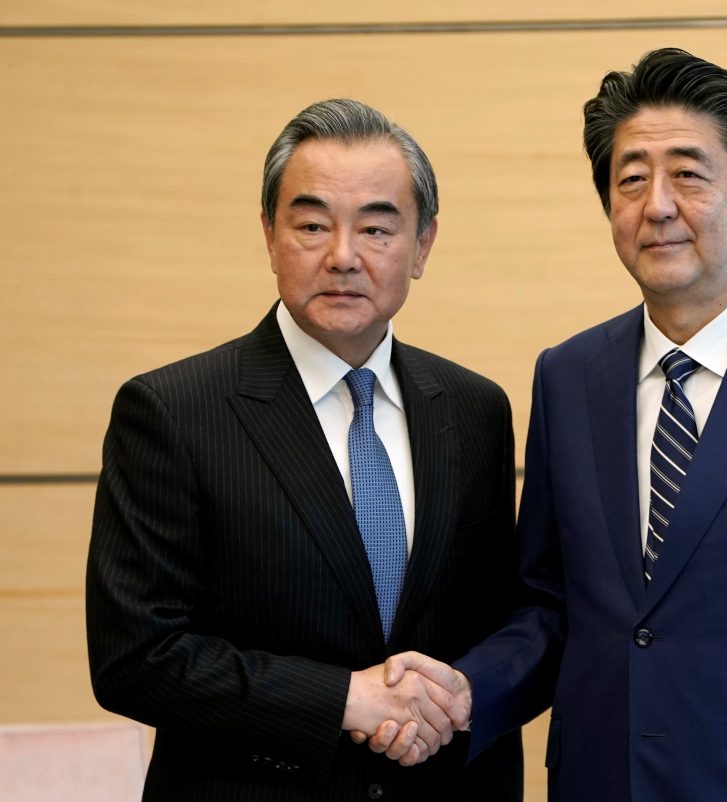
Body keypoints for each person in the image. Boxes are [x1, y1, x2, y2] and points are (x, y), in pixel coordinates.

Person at [380, 48, 727, 800]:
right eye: (630, 179)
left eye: (688, 174)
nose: (655, 204)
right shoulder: (570, 375)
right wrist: (466, 691)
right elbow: (554, 607)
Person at [86, 98, 523, 801]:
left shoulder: (474, 410)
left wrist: (460, 694)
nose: (342, 256)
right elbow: (136, 658)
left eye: (377, 228)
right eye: (312, 224)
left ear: (423, 246)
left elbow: (504, 619)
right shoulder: (172, 411)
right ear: (269, 234)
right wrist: (342, 700)